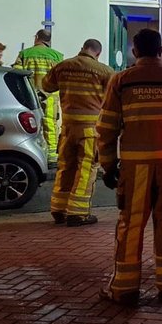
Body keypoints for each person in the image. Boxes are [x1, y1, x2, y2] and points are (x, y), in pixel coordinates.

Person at [96, 29, 162, 305]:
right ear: (161, 50)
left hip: (135, 168)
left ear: (135, 51)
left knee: (131, 225)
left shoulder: (121, 81)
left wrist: (108, 165)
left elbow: (106, 127)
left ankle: (124, 287)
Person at [42, 39, 114, 226]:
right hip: (90, 129)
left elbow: (47, 86)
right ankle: (78, 212)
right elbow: (113, 98)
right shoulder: (104, 71)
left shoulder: (63, 66)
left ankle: (58, 209)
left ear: (82, 48)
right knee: (86, 169)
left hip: (67, 128)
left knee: (65, 166)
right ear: (98, 53)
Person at [13, 30, 64, 163]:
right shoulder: (57, 56)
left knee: (29, 125)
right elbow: (60, 78)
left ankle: (32, 153)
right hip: (50, 96)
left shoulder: (25, 54)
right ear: (49, 40)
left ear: (36, 38)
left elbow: (16, 75)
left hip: (29, 96)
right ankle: (51, 155)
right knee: (49, 124)